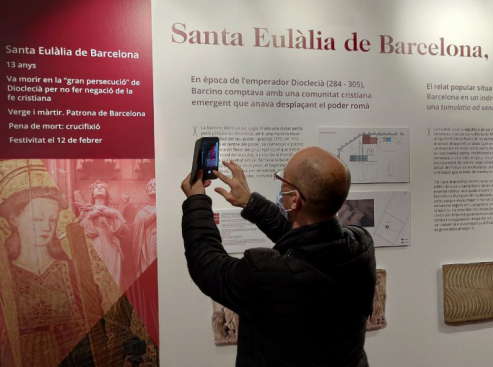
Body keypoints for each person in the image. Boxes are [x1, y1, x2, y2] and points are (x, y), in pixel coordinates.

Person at [181, 146, 376, 367]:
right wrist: (251, 203)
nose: (280, 182)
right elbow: (308, 241)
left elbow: (206, 264)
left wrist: (196, 200)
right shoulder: (362, 245)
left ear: (294, 199)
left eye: (283, 179)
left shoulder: (266, 275)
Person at [0, 171, 86, 367]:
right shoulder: (4, 277)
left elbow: (83, 326)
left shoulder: (69, 271)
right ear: (14, 219)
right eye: (37, 219)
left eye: (52, 220)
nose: (46, 227)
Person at [78, 180, 129, 286]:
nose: (100, 188)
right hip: (93, 244)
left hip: (111, 246)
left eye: (103, 187)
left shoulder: (114, 212)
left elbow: (125, 230)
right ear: (92, 194)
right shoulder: (86, 211)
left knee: (113, 274)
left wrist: (113, 216)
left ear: (107, 194)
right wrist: (91, 217)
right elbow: (77, 231)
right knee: (96, 275)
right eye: (97, 187)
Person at [133, 178, 158, 277]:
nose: (152, 186)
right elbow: (136, 231)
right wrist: (154, 216)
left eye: (155, 184)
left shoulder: (166, 208)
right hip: (148, 246)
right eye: (150, 185)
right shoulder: (142, 212)